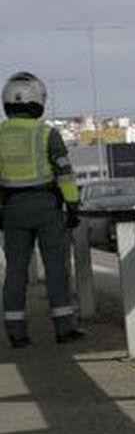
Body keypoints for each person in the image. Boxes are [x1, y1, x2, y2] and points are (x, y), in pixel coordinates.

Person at [1, 71, 83, 348]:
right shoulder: (47, 133)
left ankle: (16, 333)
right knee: (56, 268)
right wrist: (72, 206)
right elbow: (65, 175)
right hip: (47, 207)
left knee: (15, 271)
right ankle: (64, 329)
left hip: (11, 209)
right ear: (37, 100)